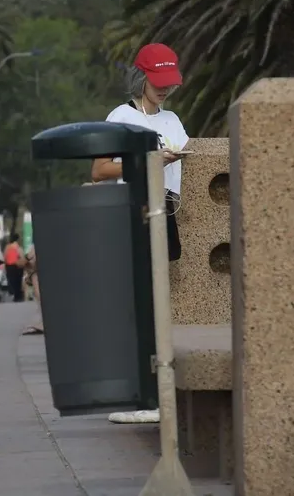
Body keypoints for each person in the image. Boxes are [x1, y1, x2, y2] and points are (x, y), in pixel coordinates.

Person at [91, 42, 188, 425]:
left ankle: (154, 391)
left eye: (169, 82)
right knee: (135, 303)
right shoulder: (119, 118)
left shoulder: (172, 121)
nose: (163, 89)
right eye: (157, 81)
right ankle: (136, 392)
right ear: (140, 78)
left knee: (156, 302)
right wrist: (148, 160)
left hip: (165, 210)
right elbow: (99, 171)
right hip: (131, 212)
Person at [4, 233, 24, 302]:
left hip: (9, 266)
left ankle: (13, 294)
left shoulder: (7, 247)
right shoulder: (18, 246)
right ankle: (18, 296)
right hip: (17, 266)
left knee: (11, 281)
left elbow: (5, 257)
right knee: (18, 281)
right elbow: (21, 256)